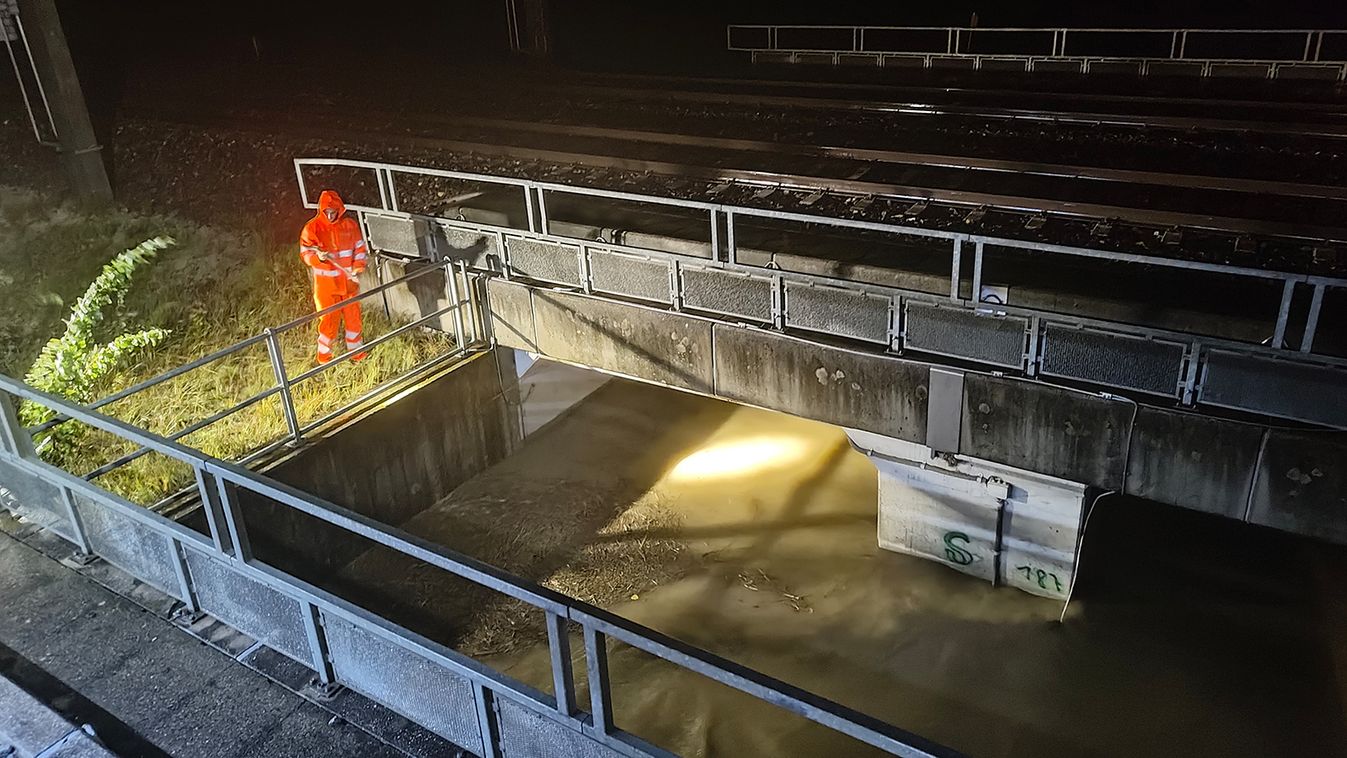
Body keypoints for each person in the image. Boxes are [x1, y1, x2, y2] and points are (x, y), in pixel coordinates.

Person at [299, 190, 368, 363]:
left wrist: (357, 268)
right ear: (321, 211)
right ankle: (324, 358)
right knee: (328, 322)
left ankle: (357, 355)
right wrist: (318, 258)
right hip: (327, 287)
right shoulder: (312, 229)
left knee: (354, 321)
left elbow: (360, 249)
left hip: (348, 285)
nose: (330, 216)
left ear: (339, 210)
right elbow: (306, 254)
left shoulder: (350, 226)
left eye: (333, 212)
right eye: (327, 212)